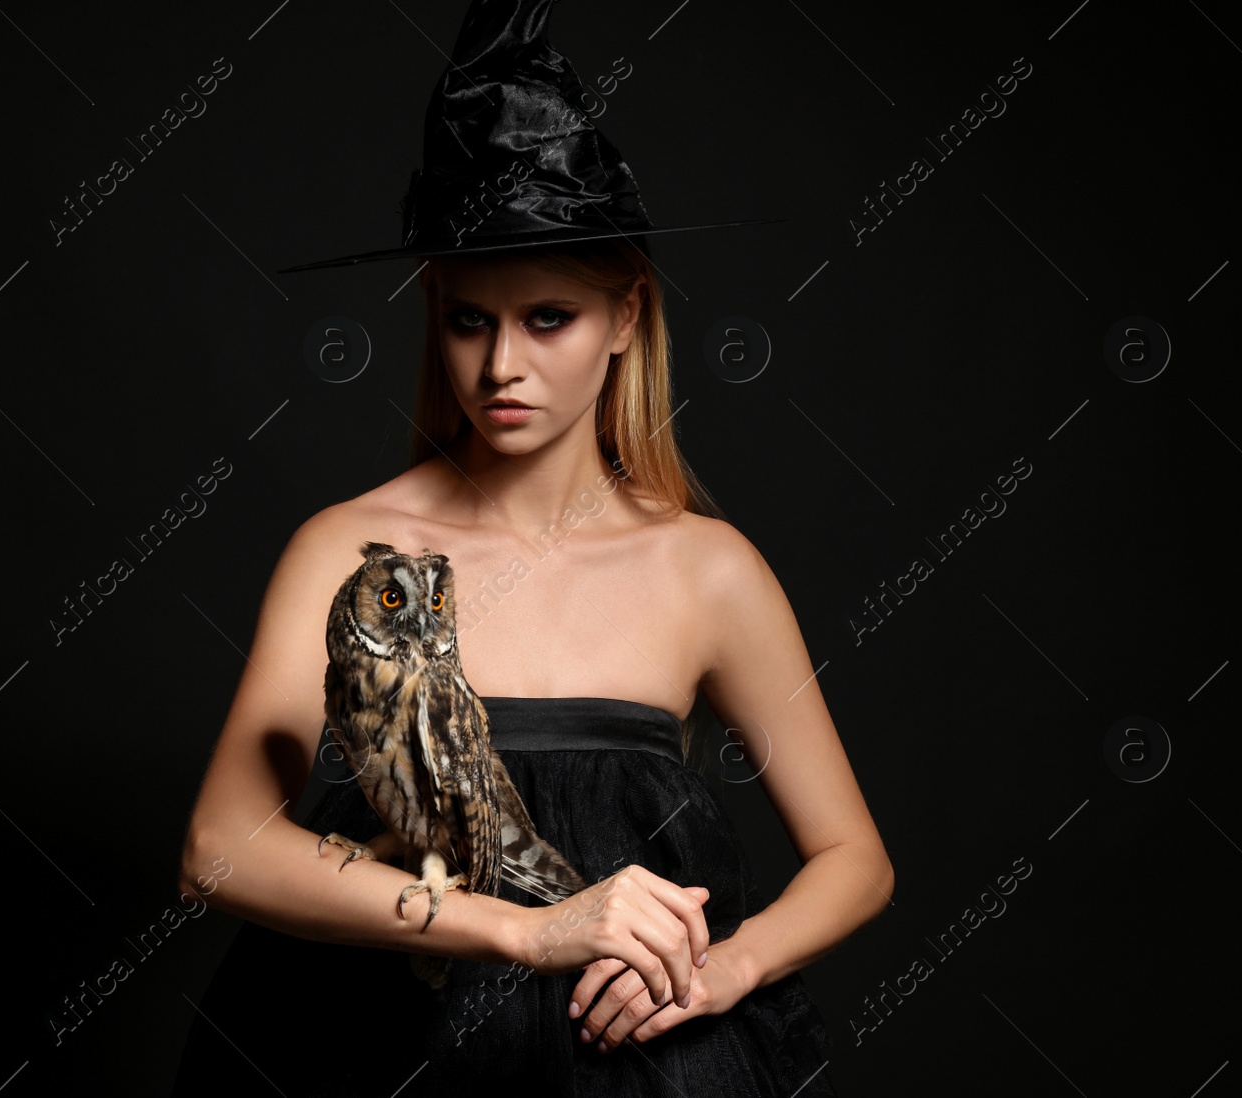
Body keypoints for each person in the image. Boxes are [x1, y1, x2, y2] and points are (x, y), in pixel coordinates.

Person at [171, 3, 891, 1094]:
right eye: (470, 320)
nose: (502, 363)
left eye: (547, 317)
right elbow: (218, 847)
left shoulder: (709, 571)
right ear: (435, 314)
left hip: (643, 1064)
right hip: (375, 1060)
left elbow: (856, 861)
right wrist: (526, 931)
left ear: (624, 317)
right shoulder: (348, 551)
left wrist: (724, 967)